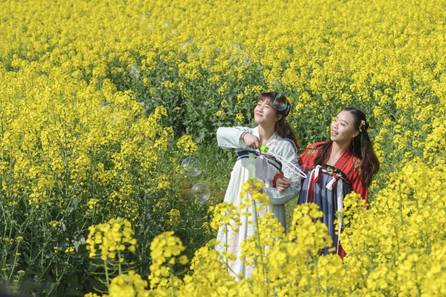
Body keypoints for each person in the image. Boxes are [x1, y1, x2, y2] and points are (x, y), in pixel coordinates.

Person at [215, 92, 301, 278]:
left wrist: (269, 191)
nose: (259, 108)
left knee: (262, 257)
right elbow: (220, 134)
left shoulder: (284, 146)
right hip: (238, 203)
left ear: (278, 116)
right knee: (233, 246)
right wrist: (245, 136)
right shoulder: (245, 134)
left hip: (266, 210)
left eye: (266, 106)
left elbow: (294, 184)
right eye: (258, 103)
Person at [276, 107, 379, 258]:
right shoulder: (314, 151)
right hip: (305, 226)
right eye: (335, 120)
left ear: (356, 133)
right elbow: (292, 174)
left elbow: (360, 205)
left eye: (343, 124)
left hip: (334, 231)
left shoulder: (356, 165)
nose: (335, 125)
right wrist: (279, 179)